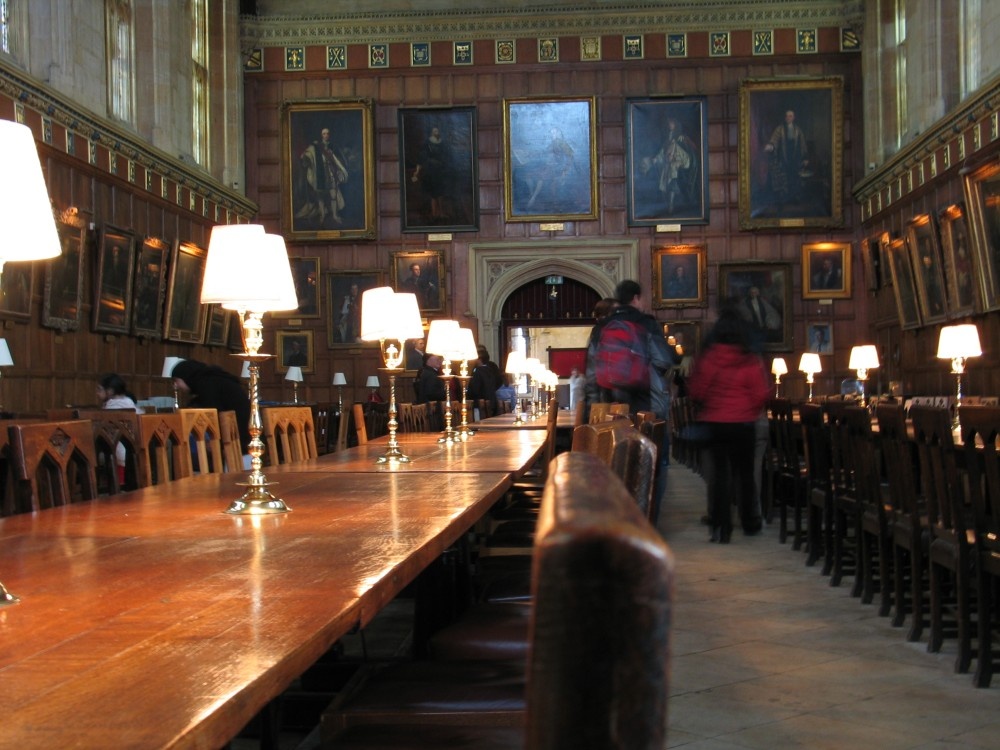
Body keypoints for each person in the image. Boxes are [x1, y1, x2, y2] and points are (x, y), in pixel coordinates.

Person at [585, 280, 681, 517]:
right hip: (647, 406)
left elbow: (590, 374)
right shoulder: (646, 324)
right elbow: (665, 360)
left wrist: (591, 412)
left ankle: (617, 523)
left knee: (614, 466)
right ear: (637, 298)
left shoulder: (601, 327)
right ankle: (647, 525)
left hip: (611, 409)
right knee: (654, 465)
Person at [687, 305, 771, 543]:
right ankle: (750, 523)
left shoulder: (709, 357)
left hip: (715, 423)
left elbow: (697, 390)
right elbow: (761, 395)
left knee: (719, 477)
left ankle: (720, 527)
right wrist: (748, 411)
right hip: (743, 423)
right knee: (745, 476)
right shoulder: (749, 359)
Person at [171, 359, 252, 463]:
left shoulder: (207, 385)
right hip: (243, 442)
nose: (176, 386)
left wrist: (216, 444)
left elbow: (216, 416)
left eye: (177, 381)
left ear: (186, 377)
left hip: (237, 446)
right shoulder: (214, 380)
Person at [640, 117, 699, 214]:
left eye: (671, 123)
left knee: (671, 167)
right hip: (672, 161)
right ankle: (669, 201)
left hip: (683, 159)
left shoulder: (680, 137)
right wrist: (657, 158)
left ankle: (671, 197)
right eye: (668, 123)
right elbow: (664, 151)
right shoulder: (668, 137)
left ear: (675, 124)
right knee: (666, 169)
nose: (669, 125)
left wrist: (673, 154)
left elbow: (689, 149)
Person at [96, 373, 144, 486]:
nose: (97, 393)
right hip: (135, 454)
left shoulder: (112, 408)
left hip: (119, 453)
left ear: (110, 391)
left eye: (99, 390)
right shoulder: (130, 403)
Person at [297, 126, 349, 227]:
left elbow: (338, 160)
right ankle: (322, 215)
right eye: (324, 134)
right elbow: (307, 154)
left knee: (333, 195)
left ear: (330, 135)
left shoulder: (333, 146)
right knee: (320, 196)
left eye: (327, 133)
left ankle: (334, 215)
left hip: (331, 172)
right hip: (320, 173)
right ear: (321, 135)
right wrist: (305, 157)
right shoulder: (316, 146)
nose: (326, 135)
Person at [764, 109, 809, 206]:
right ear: (785, 118)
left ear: (794, 118)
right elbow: (774, 140)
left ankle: (794, 199)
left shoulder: (798, 130)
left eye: (791, 116)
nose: (789, 118)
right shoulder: (780, 129)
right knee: (783, 178)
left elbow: (803, 145)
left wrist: (805, 158)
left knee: (795, 178)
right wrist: (771, 146)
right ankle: (784, 200)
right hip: (783, 158)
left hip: (795, 159)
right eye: (787, 116)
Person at [410, 126, 451, 223]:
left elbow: (446, 156)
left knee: (441, 192)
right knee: (433, 194)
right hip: (431, 171)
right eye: (435, 131)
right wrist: (416, 172)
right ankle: (434, 214)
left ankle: (441, 213)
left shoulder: (443, 143)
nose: (436, 132)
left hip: (441, 170)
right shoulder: (427, 143)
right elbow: (421, 158)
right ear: (432, 132)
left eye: (438, 130)